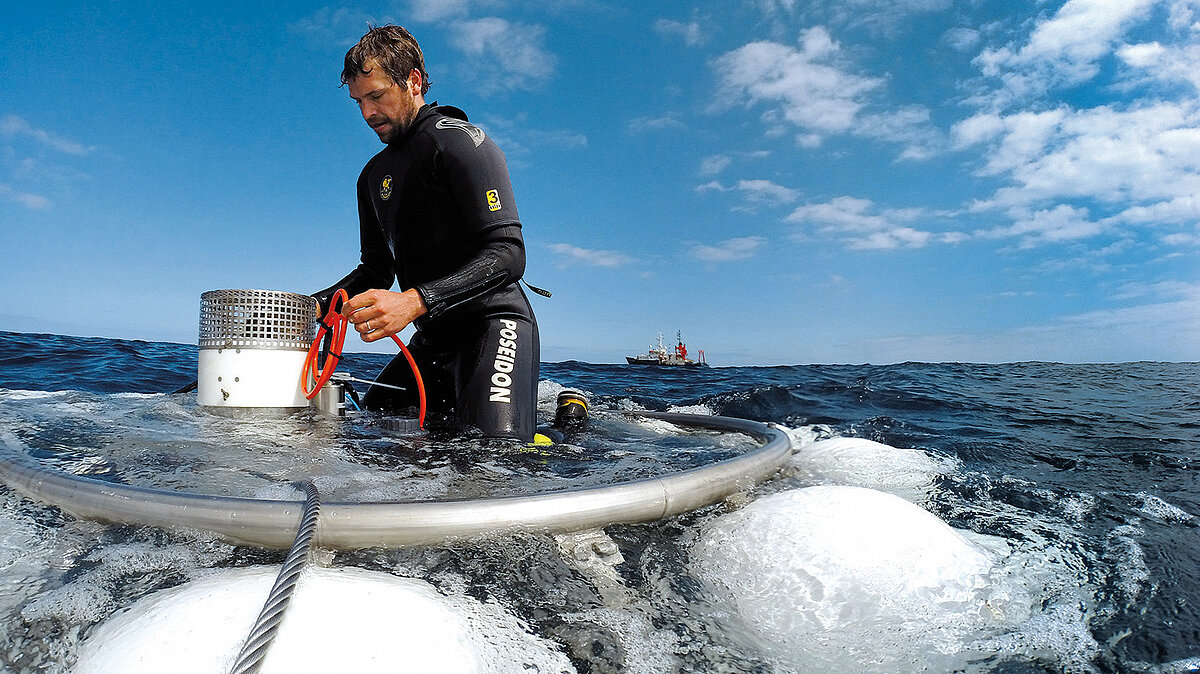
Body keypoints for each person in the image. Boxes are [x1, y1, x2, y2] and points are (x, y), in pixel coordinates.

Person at [313, 25, 539, 442]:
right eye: (359, 101)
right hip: (433, 339)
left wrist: (414, 301)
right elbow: (376, 272)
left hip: (494, 325)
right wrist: (308, 308)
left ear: (413, 81)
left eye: (376, 96)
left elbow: (508, 254)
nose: (367, 113)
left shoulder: (462, 144)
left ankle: (570, 422)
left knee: (494, 463)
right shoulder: (372, 176)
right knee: (369, 432)